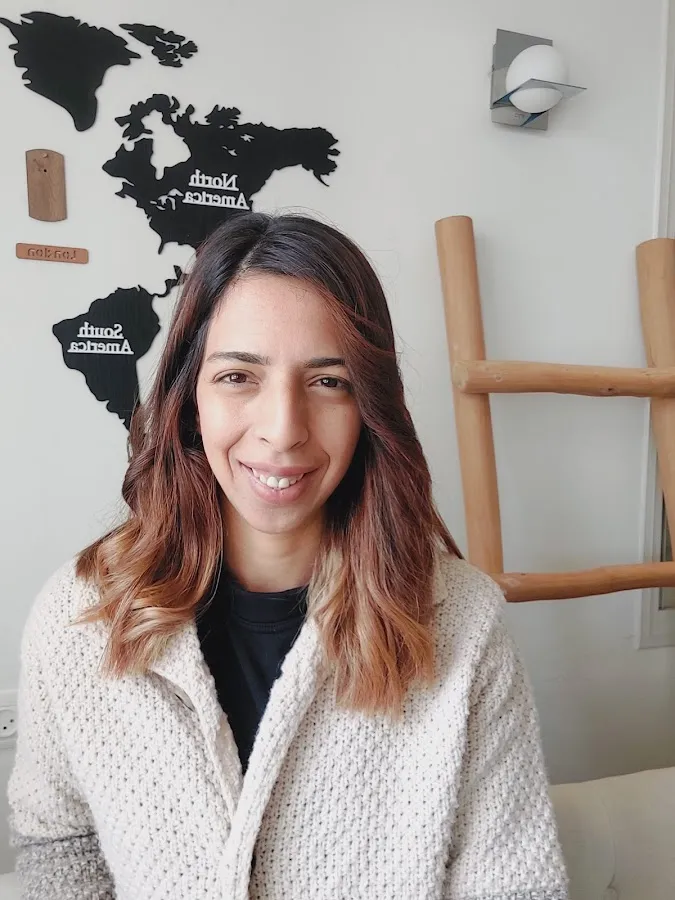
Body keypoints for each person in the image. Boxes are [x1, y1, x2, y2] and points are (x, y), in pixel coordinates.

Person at [8, 212, 567, 900]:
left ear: (370, 407)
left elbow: (511, 884)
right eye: (238, 376)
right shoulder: (80, 615)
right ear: (189, 399)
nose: (282, 430)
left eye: (328, 382)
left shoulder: (463, 624)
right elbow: (59, 842)